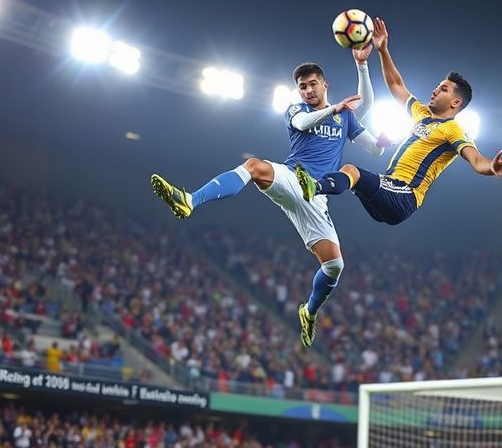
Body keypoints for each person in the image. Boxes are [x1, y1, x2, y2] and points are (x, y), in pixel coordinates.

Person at [151, 46, 388, 348]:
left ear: (324, 84)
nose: (307, 90)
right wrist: (335, 109)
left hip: (316, 196)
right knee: (254, 166)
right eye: (302, 86)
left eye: (313, 83)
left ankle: (309, 311)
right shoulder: (297, 110)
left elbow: (374, 145)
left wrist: (363, 65)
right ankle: (189, 200)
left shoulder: (346, 119)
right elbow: (303, 124)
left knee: (334, 267)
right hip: (293, 179)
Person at [295, 17, 502, 226]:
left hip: (405, 194)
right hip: (390, 188)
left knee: (351, 171)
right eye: (438, 85)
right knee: (350, 177)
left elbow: (476, 160)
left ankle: (314, 188)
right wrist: (382, 50)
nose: (436, 90)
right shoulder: (422, 113)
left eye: (443, 89)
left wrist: (492, 167)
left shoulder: (453, 129)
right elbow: (397, 86)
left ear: (456, 102)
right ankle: (317, 194)